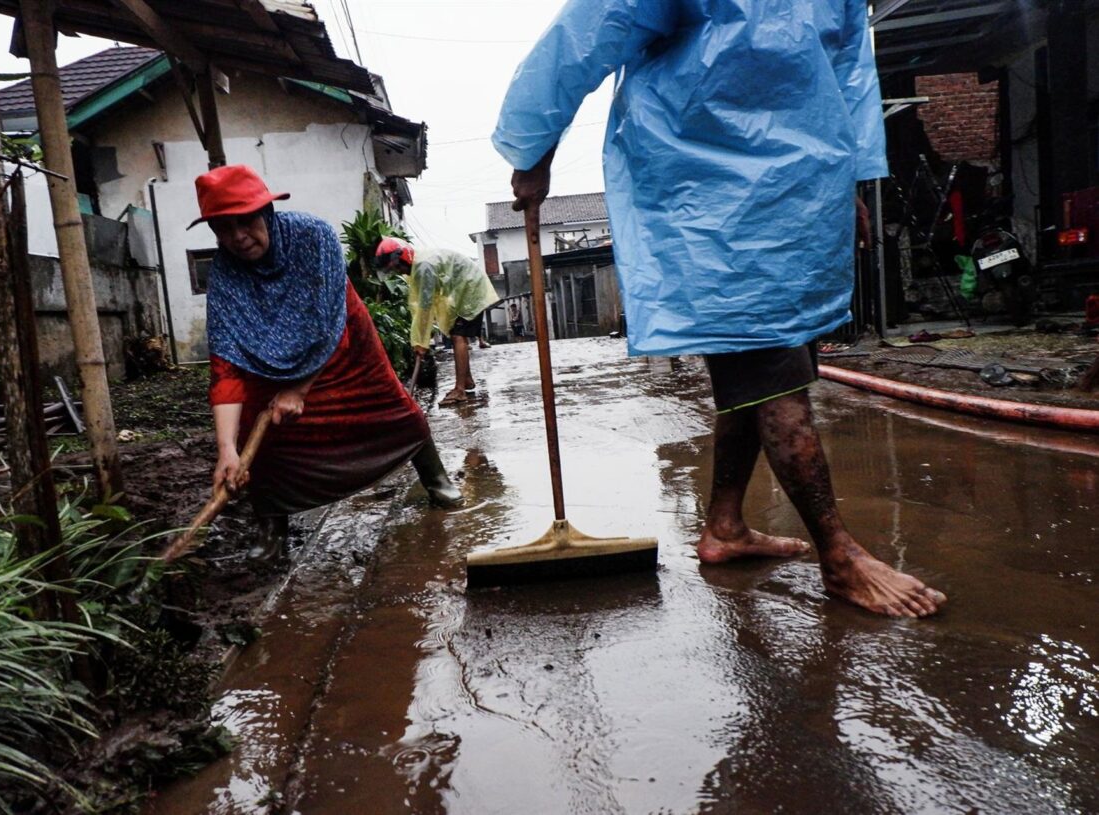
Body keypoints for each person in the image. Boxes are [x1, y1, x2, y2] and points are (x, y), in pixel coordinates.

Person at [493, 0, 946, 617]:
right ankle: (838, 557)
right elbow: (588, 34)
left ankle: (725, 527)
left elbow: (850, 68)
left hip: (802, 186)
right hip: (706, 189)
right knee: (771, 370)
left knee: (767, 365)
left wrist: (852, 180)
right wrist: (534, 147)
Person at [191, 165, 463, 562]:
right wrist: (227, 450)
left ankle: (437, 480)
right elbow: (227, 366)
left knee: (387, 406)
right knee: (260, 431)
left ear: (266, 212)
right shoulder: (226, 271)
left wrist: (299, 390)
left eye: (245, 222)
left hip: (342, 341)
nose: (237, 237)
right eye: (223, 229)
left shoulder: (311, 235)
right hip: (268, 365)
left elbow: (328, 324)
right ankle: (271, 526)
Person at [375, 238, 499, 407]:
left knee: (458, 336)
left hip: (471, 289)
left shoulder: (424, 266)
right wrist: (420, 340)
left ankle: (460, 390)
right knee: (457, 333)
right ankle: (467, 381)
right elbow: (420, 305)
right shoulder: (418, 264)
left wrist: (421, 341)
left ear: (404, 258)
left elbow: (425, 307)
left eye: (397, 267)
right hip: (464, 288)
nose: (398, 271)